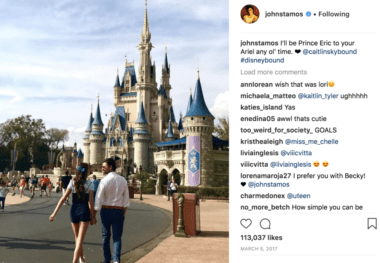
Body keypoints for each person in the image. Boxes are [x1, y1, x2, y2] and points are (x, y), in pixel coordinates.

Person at [49, 163, 95, 263]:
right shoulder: (90, 184)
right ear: (87, 172)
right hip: (84, 211)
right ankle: (74, 261)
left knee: (77, 238)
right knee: (80, 240)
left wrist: (54, 213)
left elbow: (63, 198)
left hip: (74, 210)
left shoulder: (72, 182)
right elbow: (90, 202)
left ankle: (81, 258)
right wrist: (93, 216)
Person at [94, 158, 129, 263]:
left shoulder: (104, 181)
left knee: (105, 236)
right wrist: (123, 213)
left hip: (106, 211)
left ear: (110, 167)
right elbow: (126, 201)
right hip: (118, 211)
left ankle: (106, 259)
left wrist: (94, 214)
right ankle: (116, 260)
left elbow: (98, 199)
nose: (102, 169)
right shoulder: (123, 180)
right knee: (117, 237)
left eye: (104, 167)